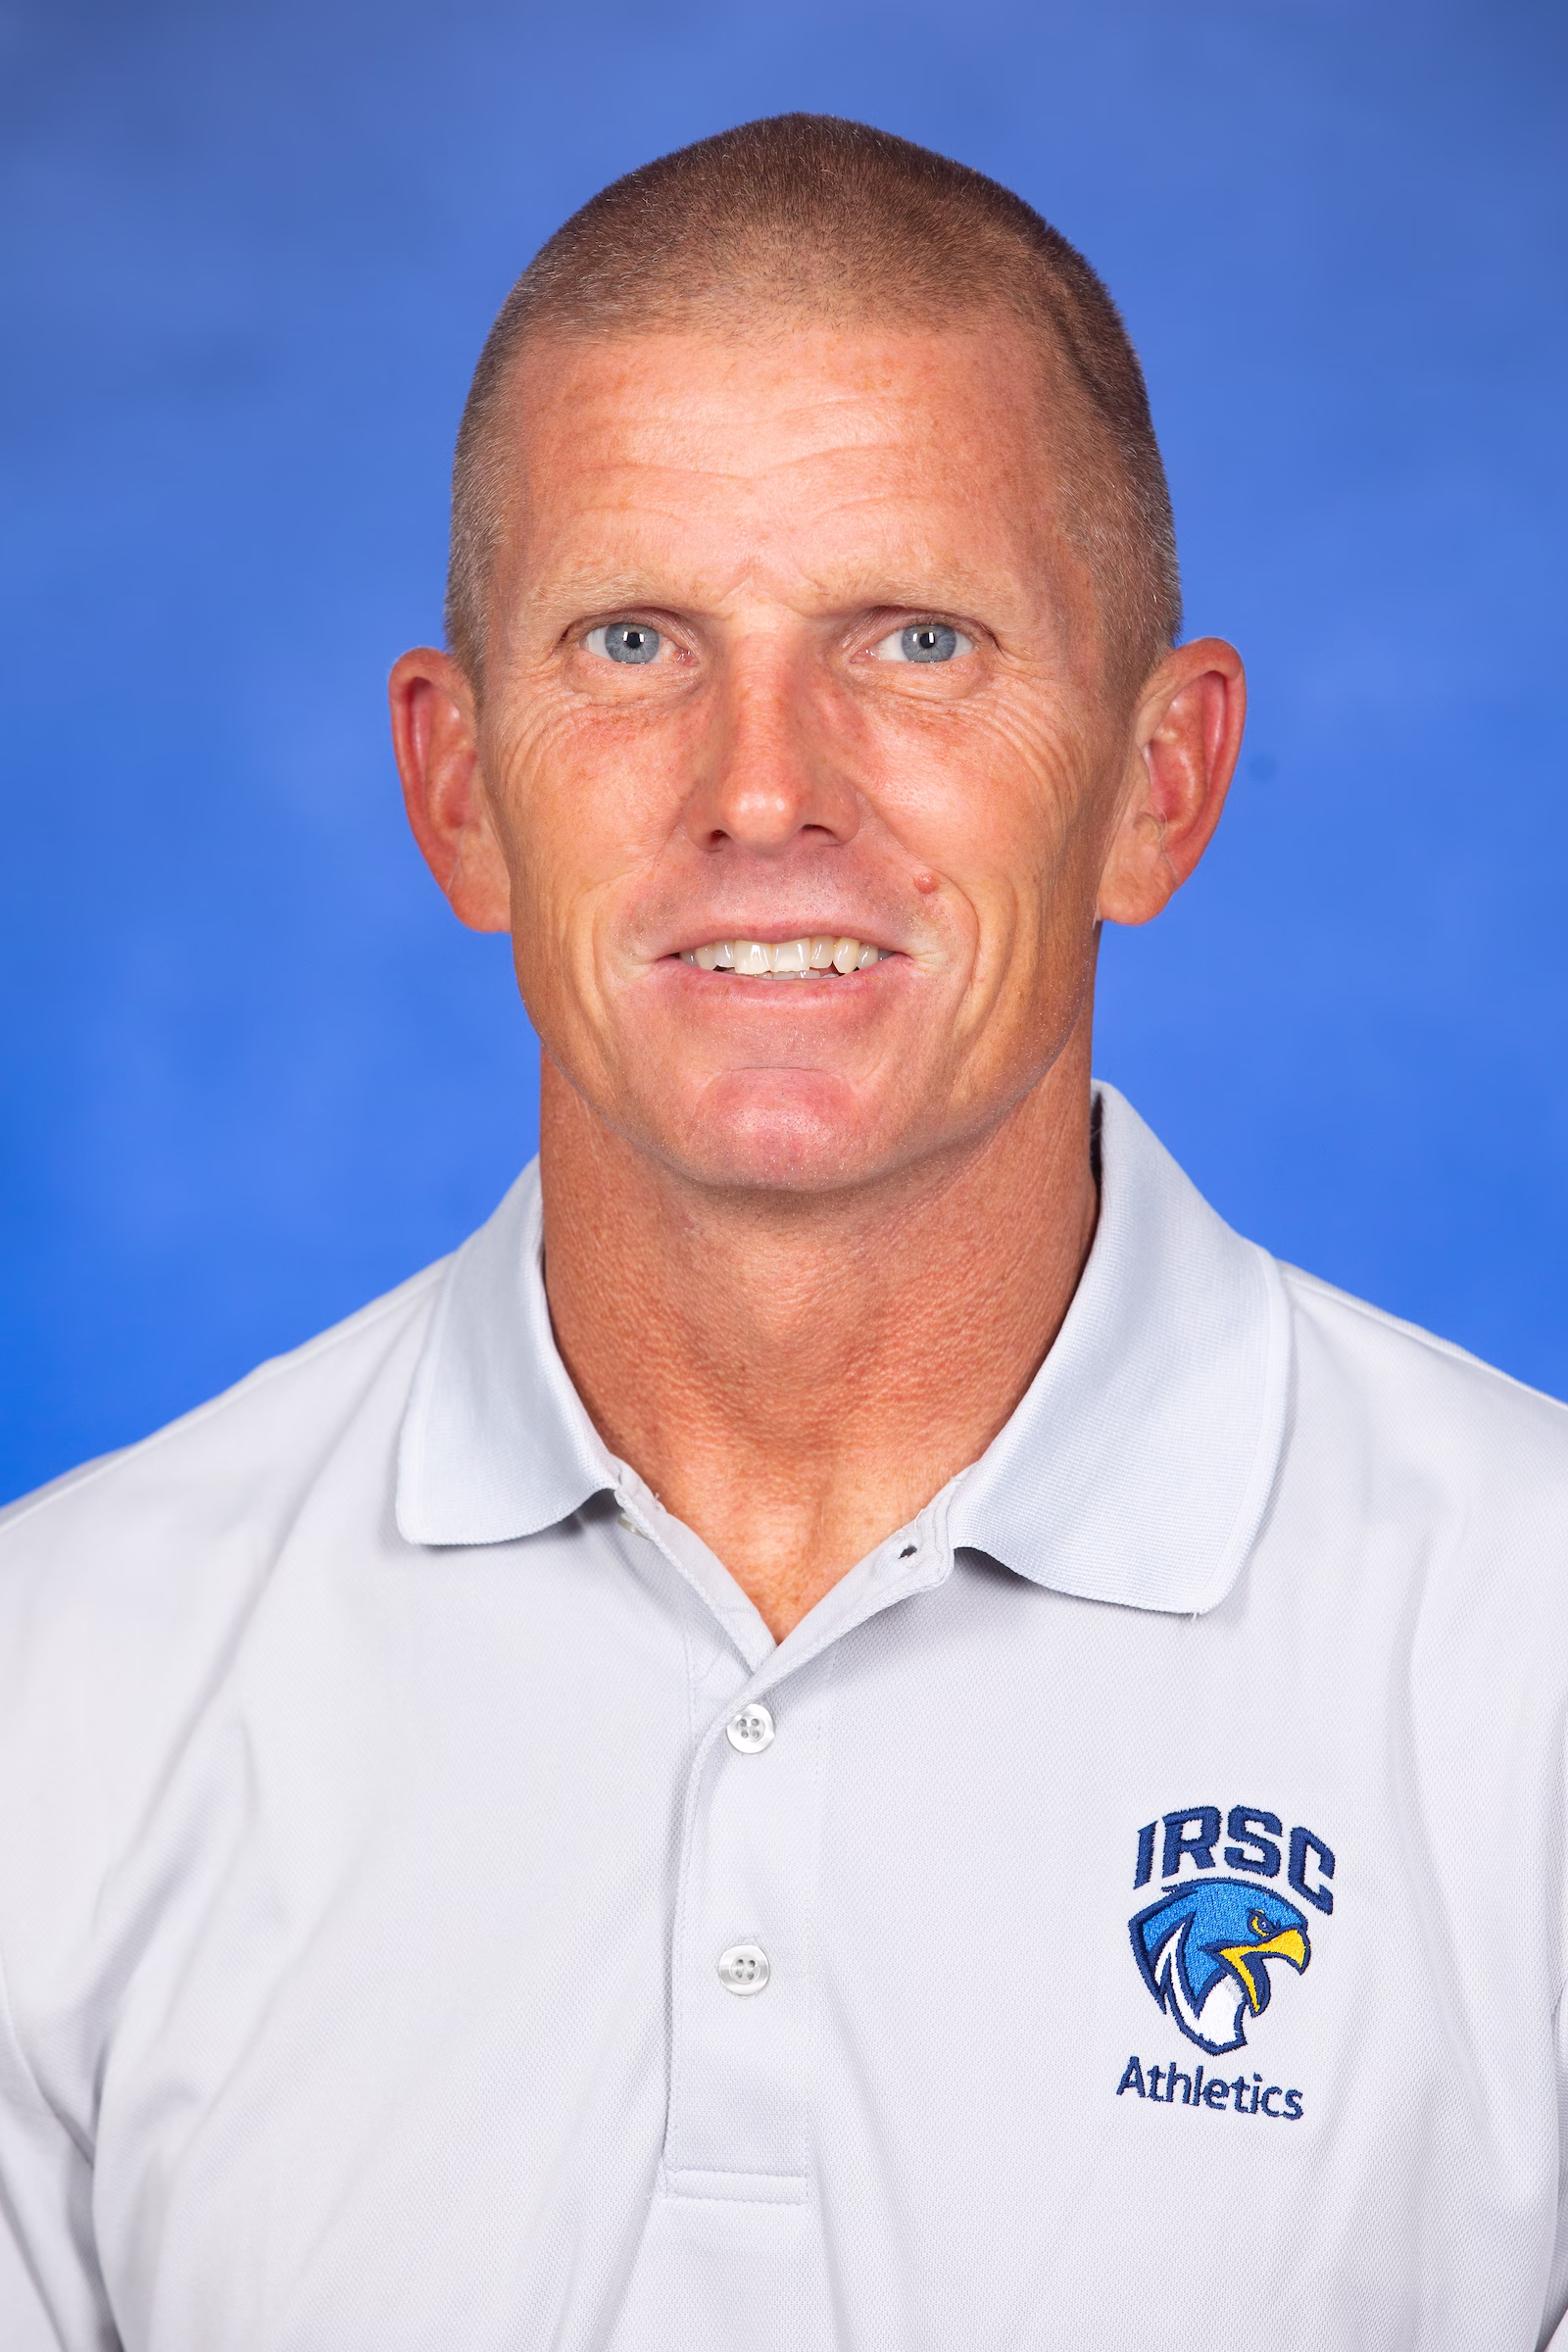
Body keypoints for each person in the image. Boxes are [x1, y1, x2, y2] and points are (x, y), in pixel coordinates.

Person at [1, 113, 1565, 2352]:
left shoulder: (1531, 1683)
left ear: (1156, 781)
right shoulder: (52, 1694)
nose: (761, 784)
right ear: (459, 793)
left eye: (916, 639)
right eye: (633, 639)